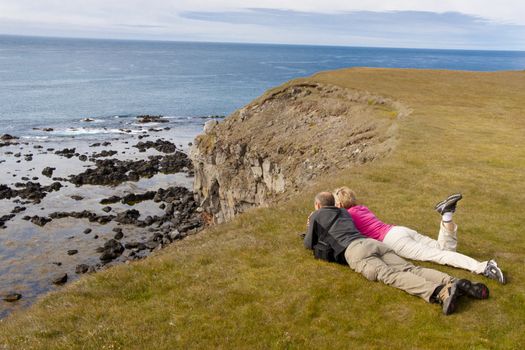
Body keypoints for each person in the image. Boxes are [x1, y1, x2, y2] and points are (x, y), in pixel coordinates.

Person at [304, 192, 489, 315]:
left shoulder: (317, 215)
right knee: (411, 268)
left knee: (390, 275)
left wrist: (310, 224)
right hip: (374, 243)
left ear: (318, 205)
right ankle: (455, 282)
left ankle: (440, 292)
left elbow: (308, 244)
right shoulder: (345, 213)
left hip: (356, 251)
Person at [332, 187, 506, 284]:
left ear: (339, 203)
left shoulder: (347, 215)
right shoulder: (362, 208)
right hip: (399, 230)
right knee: (443, 248)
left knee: (439, 255)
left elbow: (334, 224)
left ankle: (483, 267)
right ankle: (446, 215)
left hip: (392, 241)